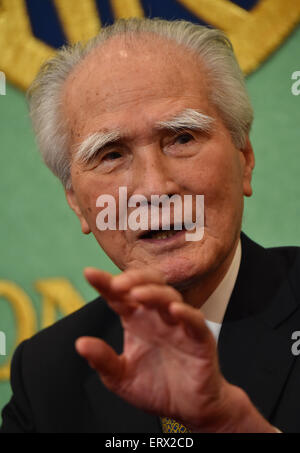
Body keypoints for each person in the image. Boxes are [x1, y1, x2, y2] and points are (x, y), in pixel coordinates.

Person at [1, 18, 299, 433]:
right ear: (76, 203)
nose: (154, 187)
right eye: (111, 154)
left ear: (244, 158)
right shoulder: (49, 373)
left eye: (181, 138)